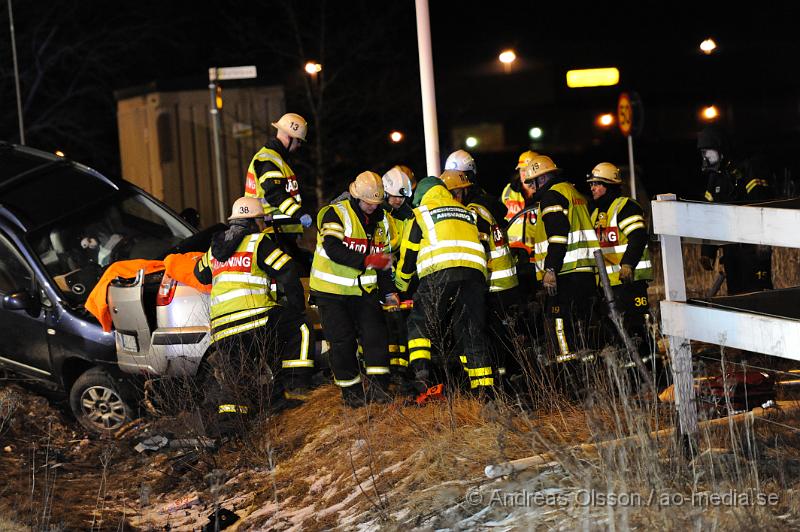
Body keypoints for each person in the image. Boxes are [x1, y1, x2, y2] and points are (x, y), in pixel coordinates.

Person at [194, 197, 314, 435]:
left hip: (223, 328)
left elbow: (200, 274)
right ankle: (294, 386)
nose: (264, 225)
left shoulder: (215, 247)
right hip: (255, 317)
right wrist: (296, 307)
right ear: (255, 221)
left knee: (236, 374)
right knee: (299, 328)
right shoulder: (258, 242)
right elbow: (287, 270)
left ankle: (231, 426)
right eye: (262, 220)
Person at [395, 176, 492, 395]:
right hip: (474, 274)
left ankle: (422, 379)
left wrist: (400, 286)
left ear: (420, 196)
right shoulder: (466, 211)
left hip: (439, 273)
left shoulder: (420, 214)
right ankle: (483, 389)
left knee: (420, 324)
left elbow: (409, 256)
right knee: (471, 329)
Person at [309, 171, 396, 407]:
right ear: (357, 197)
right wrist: (366, 260)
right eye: (368, 202)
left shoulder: (384, 221)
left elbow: (385, 262)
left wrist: (389, 291)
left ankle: (380, 389)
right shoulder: (335, 213)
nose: (371, 207)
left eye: (376, 203)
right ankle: (352, 395)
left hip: (364, 292)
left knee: (376, 336)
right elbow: (333, 248)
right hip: (331, 293)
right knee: (342, 343)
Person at [440, 169, 521, 380]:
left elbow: (480, 247)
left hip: (493, 283)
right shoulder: (483, 208)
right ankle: (509, 381)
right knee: (503, 337)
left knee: (491, 337)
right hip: (505, 283)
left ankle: (503, 385)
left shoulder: (472, 213)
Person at [520, 155, 599, 366]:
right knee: (583, 326)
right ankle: (590, 374)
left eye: (533, 182)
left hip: (564, 274)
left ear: (542, 179)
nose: (531, 188)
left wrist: (550, 269)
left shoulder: (552, 197)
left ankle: (569, 374)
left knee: (560, 326)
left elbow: (557, 237)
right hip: (585, 273)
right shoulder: (574, 194)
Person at [587, 163, 655, 368]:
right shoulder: (594, 212)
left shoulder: (625, 206)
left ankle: (653, 372)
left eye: (597, 184)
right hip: (607, 285)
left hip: (629, 281)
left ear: (609, 185)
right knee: (615, 331)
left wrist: (628, 265)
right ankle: (631, 378)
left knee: (636, 329)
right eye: (591, 184)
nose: (592, 188)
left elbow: (637, 237)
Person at [697, 125, 772, 294]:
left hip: (753, 250)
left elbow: (762, 206)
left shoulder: (749, 170)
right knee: (736, 296)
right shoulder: (715, 179)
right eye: (702, 153)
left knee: (758, 294)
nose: (705, 157)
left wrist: (763, 241)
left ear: (720, 148)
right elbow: (710, 217)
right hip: (730, 251)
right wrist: (707, 251)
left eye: (707, 151)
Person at [244, 112, 314, 272]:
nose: (299, 146)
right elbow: (275, 194)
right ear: (290, 137)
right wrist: (299, 213)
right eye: (298, 141)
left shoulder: (276, 159)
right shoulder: (269, 160)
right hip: (272, 231)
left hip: (279, 232)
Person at [381, 166, 415, 376]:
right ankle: (390, 369)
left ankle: (402, 370)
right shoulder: (379, 215)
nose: (398, 202)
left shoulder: (407, 216)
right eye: (394, 198)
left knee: (401, 325)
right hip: (381, 276)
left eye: (401, 199)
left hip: (400, 277)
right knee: (387, 326)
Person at [444, 149, 507, 226]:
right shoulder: (447, 199)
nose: (455, 182)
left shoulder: (483, 203)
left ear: (470, 176)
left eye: (460, 177)